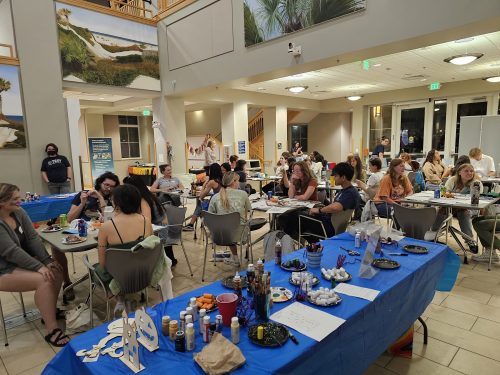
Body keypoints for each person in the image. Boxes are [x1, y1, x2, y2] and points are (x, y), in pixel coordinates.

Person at [0, 183, 69, 347]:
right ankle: (52, 330)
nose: (20, 201)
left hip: (17, 263)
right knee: (44, 279)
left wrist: (47, 261)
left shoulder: (18, 212)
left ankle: (49, 311)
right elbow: (11, 251)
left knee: (56, 270)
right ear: (1, 202)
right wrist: (39, 267)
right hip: (3, 269)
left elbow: (32, 238)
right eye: (15, 199)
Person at [56, 171, 119, 301]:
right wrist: (83, 203)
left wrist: (100, 198)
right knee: (56, 248)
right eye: (106, 185)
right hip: (80, 232)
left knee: (116, 243)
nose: (108, 188)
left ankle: (113, 279)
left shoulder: (114, 197)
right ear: (99, 183)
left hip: (102, 234)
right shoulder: (83, 195)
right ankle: (67, 283)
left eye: (112, 186)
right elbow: (69, 219)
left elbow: (109, 218)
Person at [96, 184, 153, 315]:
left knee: (98, 268)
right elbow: (150, 247)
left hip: (118, 276)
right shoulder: (146, 221)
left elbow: (103, 264)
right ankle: (124, 299)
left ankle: (118, 297)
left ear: (116, 202)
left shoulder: (106, 227)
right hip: (142, 273)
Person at [123, 176, 177, 266]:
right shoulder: (146, 196)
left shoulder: (143, 199)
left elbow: (145, 221)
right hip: (159, 228)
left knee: (129, 238)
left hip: (159, 232)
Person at [427, 163, 481, 253]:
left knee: (464, 213)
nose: (469, 173)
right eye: (466, 171)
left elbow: (477, 197)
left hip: (467, 208)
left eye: (471, 171)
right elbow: (445, 192)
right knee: (442, 210)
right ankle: (433, 235)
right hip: (451, 206)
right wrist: (447, 193)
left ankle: (469, 241)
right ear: (459, 172)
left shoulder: (476, 183)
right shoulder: (452, 180)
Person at [208, 172, 251, 267]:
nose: (239, 183)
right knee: (239, 223)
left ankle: (234, 257)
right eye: (238, 181)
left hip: (219, 235)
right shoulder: (243, 194)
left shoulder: (215, 197)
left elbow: (209, 217)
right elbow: (249, 211)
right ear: (233, 182)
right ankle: (236, 257)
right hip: (239, 234)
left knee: (227, 225)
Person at [307, 162, 360, 239]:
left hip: (329, 227)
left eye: (336, 176)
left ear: (343, 178)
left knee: (297, 217)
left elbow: (335, 207)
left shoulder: (350, 193)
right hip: (330, 222)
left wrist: (319, 210)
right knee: (305, 213)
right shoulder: (346, 191)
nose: (334, 178)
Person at [278, 161, 318, 240]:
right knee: (281, 217)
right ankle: (290, 238)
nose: (296, 173)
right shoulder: (296, 180)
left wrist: (296, 196)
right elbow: (290, 196)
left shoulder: (312, 181)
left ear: (304, 170)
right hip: (298, 206)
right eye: (294, 171)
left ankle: (294, 238)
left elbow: (305, 197)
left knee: (286, 218)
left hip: (310, 207)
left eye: (298, 171)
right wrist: (292, 182)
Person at [183, 163, 223, 231]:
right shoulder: (222, 179)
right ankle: (194, 224)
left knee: (200, 203)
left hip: (215, 203)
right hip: (221, 201)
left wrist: (204, 185)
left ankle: (191, 224)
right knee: (201, 203)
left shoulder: (212, 182)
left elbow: (201, 196)